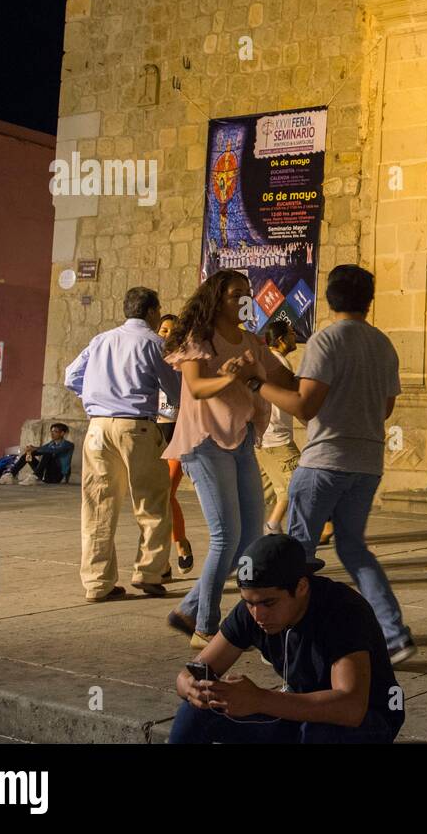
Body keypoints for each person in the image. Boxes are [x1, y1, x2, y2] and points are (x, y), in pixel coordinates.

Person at [255, 265, 416, 665]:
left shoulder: (326, 340)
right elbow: (385, 409)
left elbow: (305, 407)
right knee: (353, 547)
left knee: (297, 553)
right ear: (369, 299)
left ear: (329, 297)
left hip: (325, 460)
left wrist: (257, 385)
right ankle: (395, 635)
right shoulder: (383, 345)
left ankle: (292, 639)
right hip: (367, 462)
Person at [162, 270, 296, 650]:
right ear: (216, 298)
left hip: (239, 440)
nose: (243, 299)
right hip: (203, 442)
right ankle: (204, 626)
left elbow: (283, 380)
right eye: (236, 293)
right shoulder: (198, 338)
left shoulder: (252, 340)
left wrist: (322, 378)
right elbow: (198, 387)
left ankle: (188, 609)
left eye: (247, 293)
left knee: (250, 539)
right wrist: (231, 376)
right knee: (225, 537)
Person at [168, 534, 404, 743]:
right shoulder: (252, 608)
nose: (258, 615)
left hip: (365, 722)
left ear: (301, 587)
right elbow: (194, 670)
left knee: (318, 732)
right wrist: (190, 687)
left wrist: (259, 699)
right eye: (249, 602)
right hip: (297, 711)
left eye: (269, 603)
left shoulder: (343, 611)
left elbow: (350, 707)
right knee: (196, 712)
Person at [64, 287, 181, 602]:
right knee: (151, 503)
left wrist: (97, 397)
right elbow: (174, 389)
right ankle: (149, 572)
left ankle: (97, 582)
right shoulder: (155, 343)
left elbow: (71, 376)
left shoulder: (101, 340)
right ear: (153, 311)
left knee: (98, 506)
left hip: (98, 428)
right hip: (137, 428)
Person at [256, 318, 313, 539]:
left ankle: (257, 529)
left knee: (273, 491)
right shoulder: (279, 363)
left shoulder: (267, 361)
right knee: (298, 486)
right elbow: (290, 400)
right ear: (280, 340)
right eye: (290, 333)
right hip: (276, 440)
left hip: (264, 438)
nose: (294, 336)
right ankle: (273, 529)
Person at [156, 314, 193, 574]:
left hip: (178, 432)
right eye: (163, 330)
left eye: (172, 331)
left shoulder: (185, 361)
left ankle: (178, 543)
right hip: (153, 431)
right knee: (154, 499)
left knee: (165, 494)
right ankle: (163, 558)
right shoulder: (149, 359)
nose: (167, 335)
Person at [2, 423, 74, 484]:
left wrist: (36, 448)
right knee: (29, 454)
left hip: (58, 475)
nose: (52, 434)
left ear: (62, 433)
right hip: (46, 473)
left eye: (55, 431)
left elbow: (54, 451)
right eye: (51, 431)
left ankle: (35, 476)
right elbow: (40, 450)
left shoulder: (68, 445)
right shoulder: (51, 444)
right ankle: (11, 475)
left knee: (47, 452)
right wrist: (30, 450)